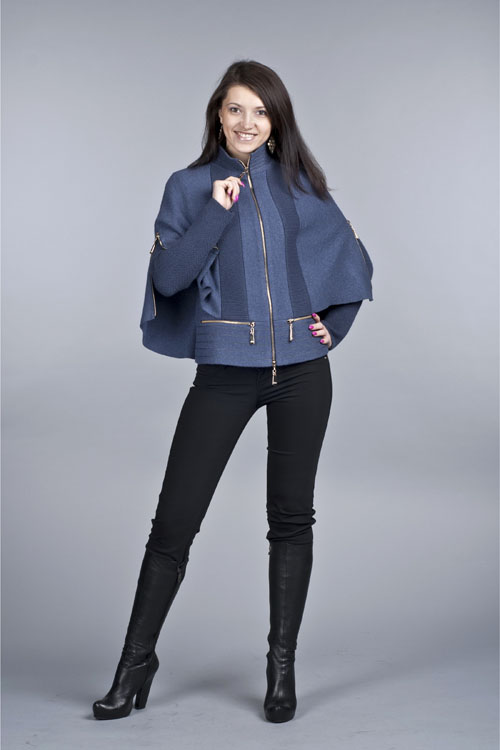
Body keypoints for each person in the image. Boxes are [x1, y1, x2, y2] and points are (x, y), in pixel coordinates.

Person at [92, 59, 374, 724]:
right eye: (235, 109)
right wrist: (218, 211)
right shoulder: (190, 186)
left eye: (261, 111)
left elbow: (350, 259)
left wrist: (333, 328)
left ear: (276, 122)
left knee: (291, 519)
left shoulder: (300, 184)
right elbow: (168, 280)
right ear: (218, 116)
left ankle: (281, 670)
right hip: (224, 372)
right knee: (173, 524)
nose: (248, 122)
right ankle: (134, 664)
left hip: (303, 373)